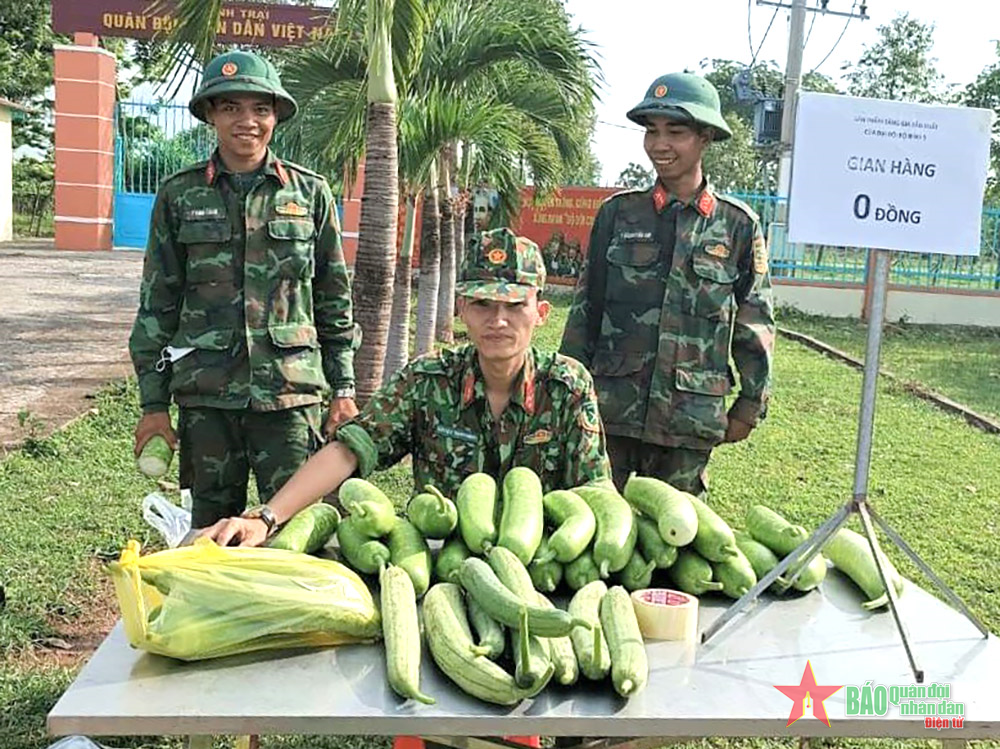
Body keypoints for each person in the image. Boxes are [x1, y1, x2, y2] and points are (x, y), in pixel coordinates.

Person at [202, 227, 612, 547]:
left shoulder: (567, 387)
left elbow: (596, 491)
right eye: (483, 304)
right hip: (436, 560)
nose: (498, 320)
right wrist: (266, 517)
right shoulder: (428, 380)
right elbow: (350, 449)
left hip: (541, 562)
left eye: (515, 305)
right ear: (462, 309)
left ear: (541, 312)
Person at [128, 50, 360, 530]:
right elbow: (157, 305)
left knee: (298, 528)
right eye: (231, 107)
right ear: (211, 114)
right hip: (207, 398)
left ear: (275, 116)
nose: (247, 121)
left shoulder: (309, 194)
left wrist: (343, 389)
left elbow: (333, 299)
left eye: (260, 108)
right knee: (211, 530)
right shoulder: (179, 194)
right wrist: (153, 405)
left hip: (290, 396)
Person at [560, 72, 775, 497]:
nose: (660, 144)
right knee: (595, 518)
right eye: (652, 131)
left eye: (675, 132)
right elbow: (586, 310)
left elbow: (755, 320)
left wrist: (751, 403)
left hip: (689, 416)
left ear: (705, 137)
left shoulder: (736, 225)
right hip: (610, 411)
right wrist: (564, 392)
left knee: (676, 532)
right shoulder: (619, 215)